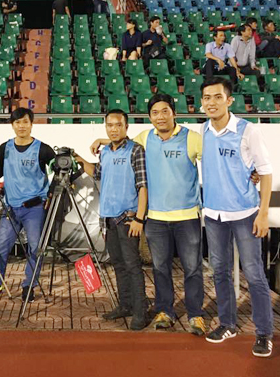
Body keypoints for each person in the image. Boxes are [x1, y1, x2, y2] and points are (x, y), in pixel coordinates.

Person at [89, 95, 207, 336]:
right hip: (156, 217)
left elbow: (215, 162)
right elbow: (122, 142)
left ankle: (195, 314)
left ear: (174, 113)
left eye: (165, 111)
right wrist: (102, 139)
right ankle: (165, 311)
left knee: (192, 268)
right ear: (150, 116)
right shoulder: (145, 138)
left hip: (186, 216)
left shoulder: (192, 138)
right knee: (160, 268)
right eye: (155, 112)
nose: (160, 117)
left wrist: (250, 172)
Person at [200, 77, 274, 358]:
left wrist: (263, 214)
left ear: (229, 100)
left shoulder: (248, 130)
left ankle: (264, 333)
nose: (212, 102)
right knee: (219, 271)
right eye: (207, 97)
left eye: (217, 97)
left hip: (245, 214)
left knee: (254, 274)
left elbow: (265, 172)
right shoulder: (203, 129)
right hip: (213, 214)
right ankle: (227, 324)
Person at [74, 110, 149, 331]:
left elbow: (143, 185)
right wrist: (79, 159)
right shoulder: (105, 152)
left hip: (128, 218)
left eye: (118, 125)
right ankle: (125, 305)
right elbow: (97, 173)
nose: (113, 129)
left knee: (133, 265)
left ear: (126, 127)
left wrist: (139, 218)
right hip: (108, 218)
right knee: (118, 264)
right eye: (109, 125)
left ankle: (140, 312)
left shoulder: (136, 150)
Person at [0, 108, 55, 302]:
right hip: (10, 207)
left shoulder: (43, 149)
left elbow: (59, 170)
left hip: (34, 208)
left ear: (31, 124)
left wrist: (51, 193)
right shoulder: (5, 148)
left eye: (25, 122)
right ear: (12, 125)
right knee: (1, 246)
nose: (21, 126)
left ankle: (29, 286)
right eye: (17, 122)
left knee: (35, 248)